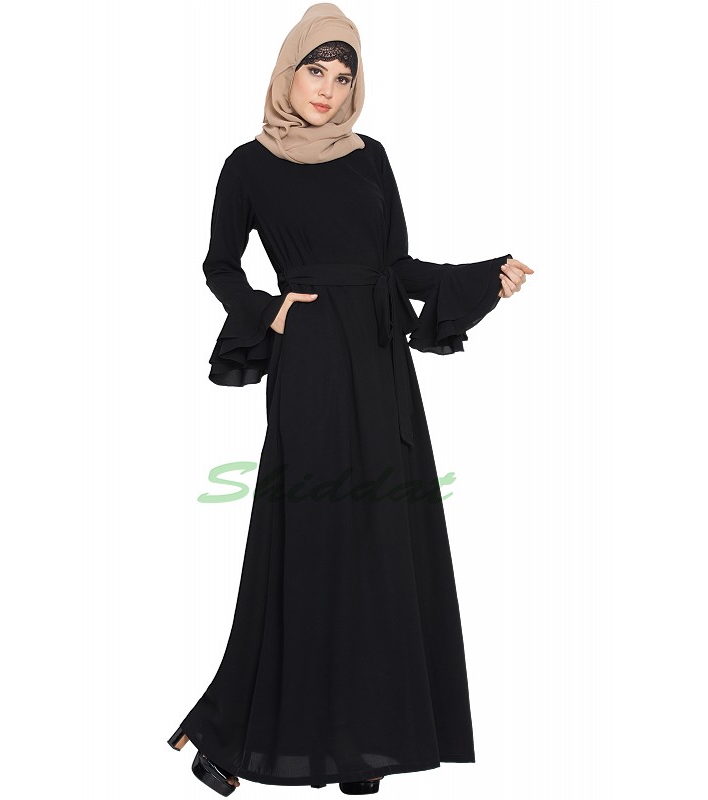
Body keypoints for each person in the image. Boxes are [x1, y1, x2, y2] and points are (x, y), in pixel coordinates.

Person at [168, 3, 533, 796]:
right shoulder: (247, 165)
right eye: (316, 70)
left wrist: (482, 279)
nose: (328, 89)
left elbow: (397, 267)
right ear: (288, 70)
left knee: (381, 544)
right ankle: (228, 731)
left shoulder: (372, 157)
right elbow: (219, 265)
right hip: (310, 364)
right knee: (310, 536)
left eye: (343, 76)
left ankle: (362, 744)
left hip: (378, 361)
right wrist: (269, 310)